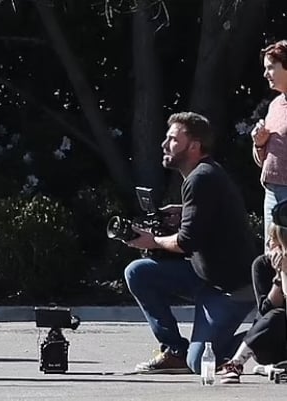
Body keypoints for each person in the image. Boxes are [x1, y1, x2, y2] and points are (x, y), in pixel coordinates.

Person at [124, 112, 256, 374]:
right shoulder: (203, 175)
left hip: (230, 288)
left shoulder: (201, 178)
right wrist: (184, 212)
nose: (164, 144)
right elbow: (208, 220)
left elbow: (187, 241)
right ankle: (174, 351)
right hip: (203, 276)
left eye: (173, 139)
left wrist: (153, 241)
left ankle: (272, 334)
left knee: (200, 363)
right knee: (138, 272)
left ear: (194, 146)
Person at [215, 201, 287, 383]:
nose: (270, 244)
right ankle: (235, 363)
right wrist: (280, 276)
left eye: (275, 240)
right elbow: (265, 311)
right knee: (276, 315)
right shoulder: (262, 265)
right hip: (272, 339)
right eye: (269, 239)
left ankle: (275, 367)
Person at [250, 40, 287, 251]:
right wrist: (259, 143)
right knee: (272, 255)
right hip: (272, 191)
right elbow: (262, 159)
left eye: (271, 67)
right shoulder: (275, 105)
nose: (266, 74)